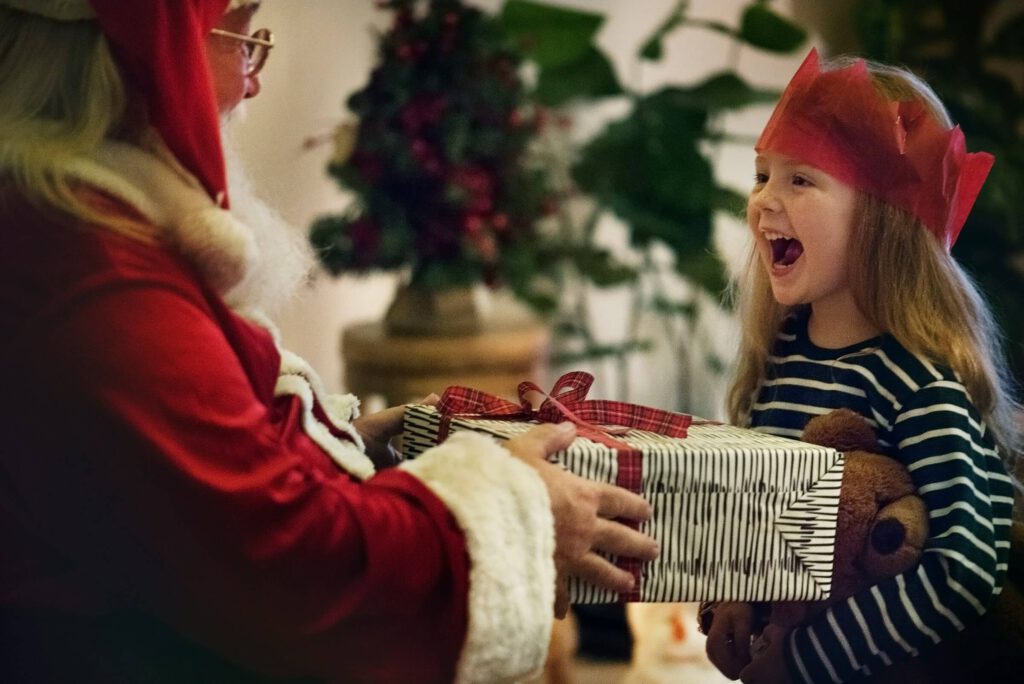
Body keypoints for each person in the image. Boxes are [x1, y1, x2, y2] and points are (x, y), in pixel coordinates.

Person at [0, 1, 660, 682]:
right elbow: (301, 575)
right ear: (145, 53)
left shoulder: (71, 233)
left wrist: (362, 441)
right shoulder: (100, 286)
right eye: (239, 35)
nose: (253, 80)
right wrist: (523, 507)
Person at [702, 48, 1020, 684]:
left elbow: (964, 568)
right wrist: (731, 598)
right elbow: (763, 517)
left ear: (882, 219)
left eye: (800, 179)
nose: (762, 201)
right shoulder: (781, 360)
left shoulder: (916, 382)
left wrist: (805, 661)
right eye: (762, 174)